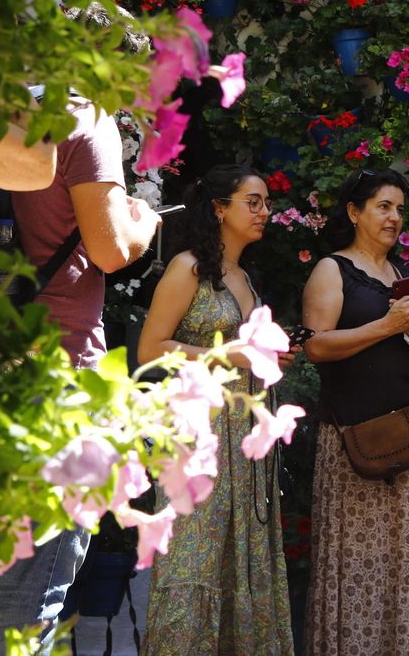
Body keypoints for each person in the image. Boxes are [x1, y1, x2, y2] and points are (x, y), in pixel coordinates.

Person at [0, 92, 161, 654]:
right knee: (25, 608)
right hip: (54, 375)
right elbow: (109, 250)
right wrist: (144, 222)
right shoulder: (83, 118)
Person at [137, 165, 295, 654]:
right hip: (199, 438)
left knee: (237, 559)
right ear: (219, 208)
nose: (264, 212)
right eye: (253, 201)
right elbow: (150, 349)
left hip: (244, 440)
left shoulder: (245, 276)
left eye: (266, 202)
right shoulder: (189, 266)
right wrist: (229, 354)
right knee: (192, 560)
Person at [300, 169, 409, 655]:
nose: (395, 217)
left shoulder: (403, 276)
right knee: (359, 561)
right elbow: (317, 346)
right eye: (384, 206)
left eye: (400, 209)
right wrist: (387, 325)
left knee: (408, 559)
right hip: (354, 435)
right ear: (354, 212)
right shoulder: (333, 269)